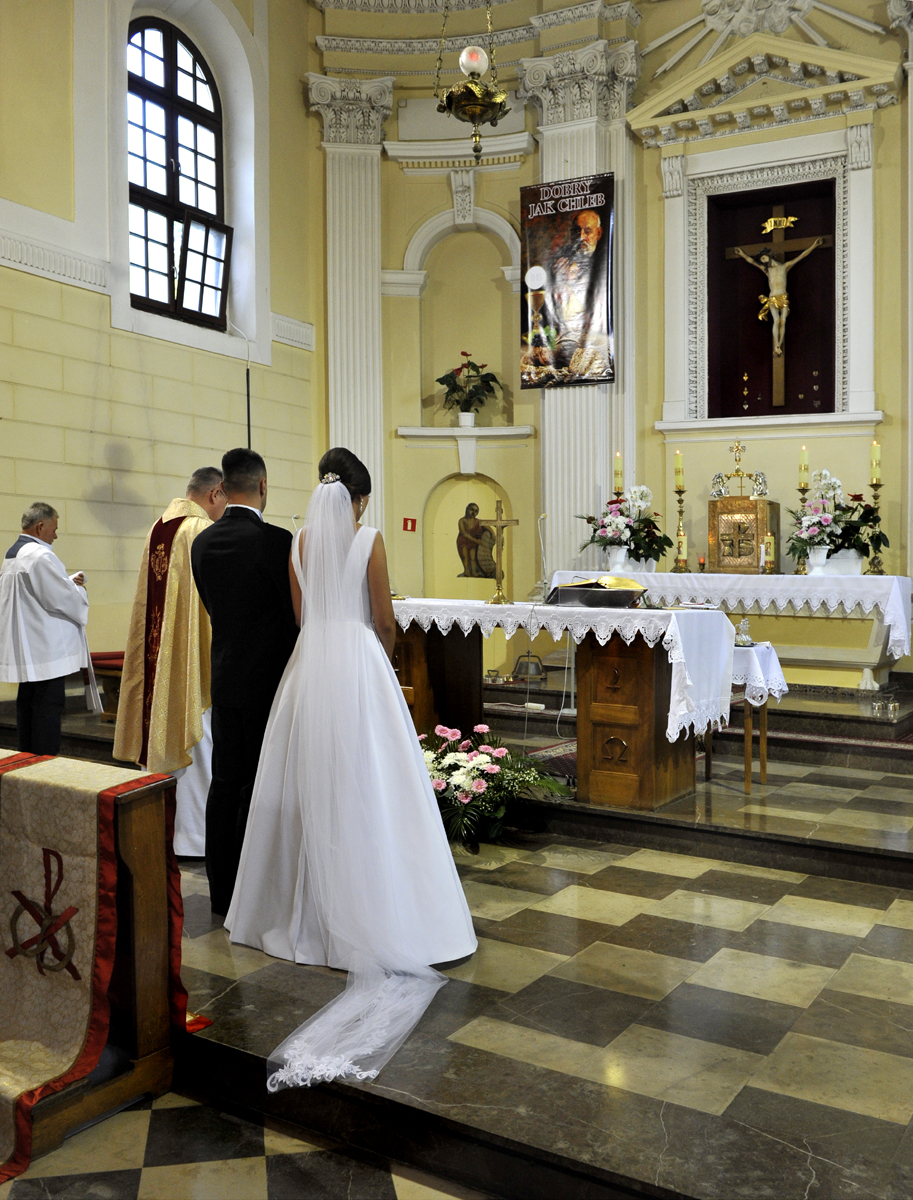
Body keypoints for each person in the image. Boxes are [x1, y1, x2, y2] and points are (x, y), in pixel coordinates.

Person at [226, 447, 476, 1088]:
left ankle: (295, 918)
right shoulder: (368, 539)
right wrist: (379, 662)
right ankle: (374, 909)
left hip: (309, 668)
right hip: (359, 666)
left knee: (306, 786)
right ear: (360, 498)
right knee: (372, 788)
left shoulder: (298, 543)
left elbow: (302, 617)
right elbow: (385, 620)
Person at [191, 448, 299, 914]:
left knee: (224, 782)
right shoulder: (277, 541)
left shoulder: (202, 543)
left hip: (225, 678)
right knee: (260, 785)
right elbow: (293, 616)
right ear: (263, 485)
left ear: (222, 488)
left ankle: (221, 892)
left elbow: (214, 607)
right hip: (270, 682)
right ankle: (256, 893)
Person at [114, 467, 226, 855]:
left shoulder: (158, 527)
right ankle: (196, 838)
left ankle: (166, 833)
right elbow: (208, 606)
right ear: (215, 493)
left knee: (165, 731)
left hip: (158, 656)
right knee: (200, 740)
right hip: (192, 660)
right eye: (224, 501)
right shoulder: (199, 530)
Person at [0, 503, 91, 755]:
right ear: (40, 527)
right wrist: (79, 590)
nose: (55, 535)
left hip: (29, 647)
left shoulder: (13, 554)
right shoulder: (40, 555)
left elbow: (34, 594)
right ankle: (45, 764)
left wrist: (66, 582)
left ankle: (27, 760)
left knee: (27, 705)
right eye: (54, 529)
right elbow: (61, 599)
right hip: (47, 651)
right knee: (47, 708)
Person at [734, 237, 824, 356]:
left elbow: (802, 256)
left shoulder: (784, 267)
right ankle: (776, 345)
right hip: (773, 297)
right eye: (762, 260)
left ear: (768, 255)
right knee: (776, 320)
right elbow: (753, 262)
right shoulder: (767, 271)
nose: (763, 261)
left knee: (783, 321)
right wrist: (742, 254)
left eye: (764, 258)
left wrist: (814, 245)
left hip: (783, 297)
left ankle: (779, 344)